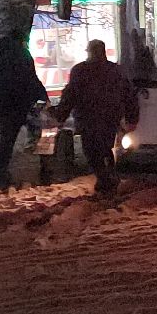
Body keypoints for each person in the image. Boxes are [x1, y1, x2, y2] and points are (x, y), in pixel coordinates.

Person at [53, 39, 140, 198]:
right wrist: (132, 118)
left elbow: (69, 96)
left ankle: (105, 180)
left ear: (89, 52)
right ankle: (109, 178)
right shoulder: (116, 71)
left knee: (92, 152)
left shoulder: (80, 71)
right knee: (106, 148)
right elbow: (130, 97)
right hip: (110, 118)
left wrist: (60, 115)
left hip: (87, 119)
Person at [0, 32, 47, 190]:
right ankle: (43, 171)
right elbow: (31, 79)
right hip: (24, 104)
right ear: (21, 41)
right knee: (39, 137)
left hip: (4, 107)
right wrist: (42, 97)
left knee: (6, 142)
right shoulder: (22, 55)